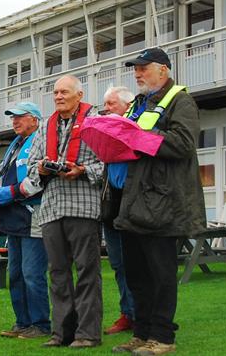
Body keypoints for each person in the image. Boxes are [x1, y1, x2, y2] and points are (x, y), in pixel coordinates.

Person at [112, 48, 206, 356]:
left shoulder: (181, 101)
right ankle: (142, 334)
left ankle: (163, 337)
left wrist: (139, 136)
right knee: (137, 274)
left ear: (163, 70)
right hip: (133, 201)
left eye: (143, 68)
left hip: (164, 203)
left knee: (161, 275)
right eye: (135, 69)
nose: (137, 74)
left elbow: (183, 143)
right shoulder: (138, 104)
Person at [26, 75, 105, 349]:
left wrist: (82, 171)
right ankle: (61, 333)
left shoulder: (95, 121)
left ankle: (87, 334)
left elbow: (106, 161)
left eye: (64, 92)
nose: (58, 96)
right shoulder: (45, 126)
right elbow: (31, 164)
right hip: (51, 208)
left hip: (83, 205)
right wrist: (40, 168)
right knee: (57, 272)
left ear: (79, 95)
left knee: (87, 271)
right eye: (55, 92)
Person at [0, 102, 51, 340]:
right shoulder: (15, 144)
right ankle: (22, 321)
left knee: (32, 272)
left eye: (20, 117)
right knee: (14, 272)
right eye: (12, 118)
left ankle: (41, 324)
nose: (15, 121)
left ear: (35, 120)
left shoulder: (42, 140)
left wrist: (11, 193)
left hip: (32, 214)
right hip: (12, 217)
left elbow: (38, 177)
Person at [101, 86, 136, 336]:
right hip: (111, 206)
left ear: (127, 105)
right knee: (118, 264)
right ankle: (127, 313)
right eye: (106, 104)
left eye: (112, 104)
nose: (107, 108)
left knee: (136, 264)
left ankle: (141, 313)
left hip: (133, 205)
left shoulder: (136, 130)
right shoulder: (105, 138)